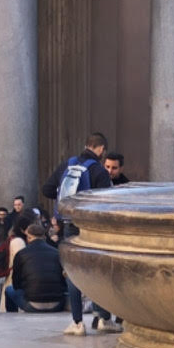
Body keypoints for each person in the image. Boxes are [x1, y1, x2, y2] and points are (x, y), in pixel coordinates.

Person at [42, 132, 112, 334]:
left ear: (86, 145)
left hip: (70, 224)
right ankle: (102, 318)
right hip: (91, 227)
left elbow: (47, 189)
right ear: (101, 149)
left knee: (73, 272)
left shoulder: (68, 164)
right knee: (99, 271)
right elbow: (105, 203)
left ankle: (77, 322)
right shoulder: (99, 170)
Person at [6, 220, 67, 313]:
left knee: (9, 290)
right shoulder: (56, 253)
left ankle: (11, 316)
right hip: (57, 304)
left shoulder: (22, 254)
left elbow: (16, 283)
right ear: (44, 236)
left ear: (28, 237)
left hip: (33, 304)